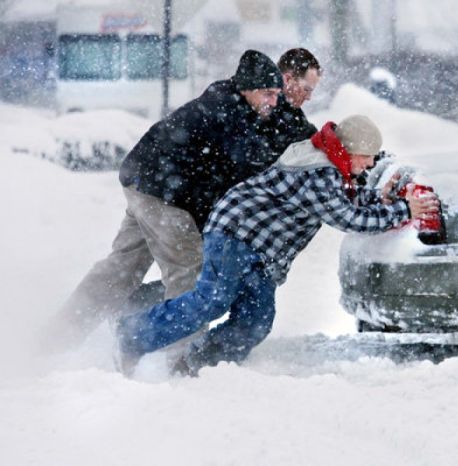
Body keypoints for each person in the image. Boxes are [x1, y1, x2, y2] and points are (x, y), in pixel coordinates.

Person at [116, 115, 439, 376]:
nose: (369, 165)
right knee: (211, 301)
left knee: (255, 320)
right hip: (235, 233)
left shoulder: (332, 164)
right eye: (367, 158)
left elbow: (347, 197)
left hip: (261, 251)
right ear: (352, 150)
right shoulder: (319, 171)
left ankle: (199, 365)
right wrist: (405, 210)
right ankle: (131, 335)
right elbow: (347, 217)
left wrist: (384, 201)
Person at [52, 49, 317, 346]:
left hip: (144, 181)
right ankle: (180, 360)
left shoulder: (244, 102)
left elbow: (287, 134)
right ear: (250, 88)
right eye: (269, 94)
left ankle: (60, 337)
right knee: (189, 273)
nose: (274, 100)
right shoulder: (229, 113)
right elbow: (249, 163)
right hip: (164, 194)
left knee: (121, 268)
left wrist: (327, 147)